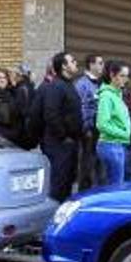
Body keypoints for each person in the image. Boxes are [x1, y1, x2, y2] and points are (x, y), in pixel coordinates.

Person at [36, 51, 82, 202]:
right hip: (59, 145)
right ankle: (55, 218)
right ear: (63, 66)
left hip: (70, 144)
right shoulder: (55, 87)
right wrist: (63, 137)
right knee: (58, 185)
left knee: (67, 184)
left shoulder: (69, 85)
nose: (76, 63)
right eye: (73, 61)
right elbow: (51, 115)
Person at [95, 61, 131, 186]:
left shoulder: (117, 94)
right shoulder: (106, 96)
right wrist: (125, 134)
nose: (125, 80)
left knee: (116, 185)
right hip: (110, 145)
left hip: (118, 145)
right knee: (114, 187)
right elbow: (102, 124)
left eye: (127, 76)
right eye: (122, 76)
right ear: (112, 75)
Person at [74, 54, 104, 191]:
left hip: (100, 131)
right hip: (89, 132)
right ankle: (84, 193)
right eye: (100, 63)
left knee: (99, 166)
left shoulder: (101, 83)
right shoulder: (82, 84)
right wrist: (86, 128)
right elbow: (80, 107)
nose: (102, 66)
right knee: (87, 166)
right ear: (91, 65)